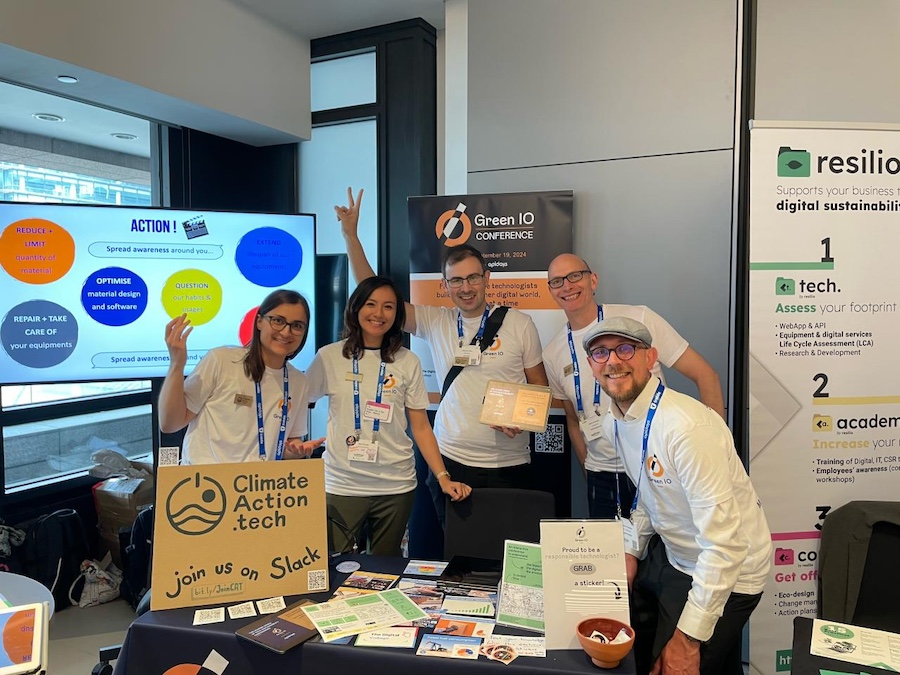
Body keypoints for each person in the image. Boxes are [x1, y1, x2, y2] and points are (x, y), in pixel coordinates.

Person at [335, 188, 548, 523]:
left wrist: (522, 420)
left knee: (507, 557)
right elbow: (372, 292)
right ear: (445, 285)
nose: (466, 287)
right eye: (456, 280)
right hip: (451, 460)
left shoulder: (519, 323)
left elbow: (540, 389)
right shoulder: (436, 321)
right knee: (459, 555)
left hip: (509, 464)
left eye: (473, 277)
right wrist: (351, 236)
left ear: (486, 278)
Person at [582, 316, 771, 675]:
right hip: (675, 554)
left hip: (730, 569)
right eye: (600, 353)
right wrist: (630, 551)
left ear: (651, 357)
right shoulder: (614, 422)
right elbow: (646, 494)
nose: (613, 361)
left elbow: (726, 546)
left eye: (625, 349)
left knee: (674, 665)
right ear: (591, 365)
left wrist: (687, 641)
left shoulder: (686, 428)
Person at [542, 253, 724, 519]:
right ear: (550, 291)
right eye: (557, 281)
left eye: (575, 276)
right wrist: (588, 469)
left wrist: (714, 451)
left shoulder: (638, 318)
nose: (567, 286)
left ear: (593, 280)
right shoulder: (553, 352)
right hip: (602, 477)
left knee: (667, 554)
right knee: (614, 559)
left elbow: (706, 376)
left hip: (659, 468)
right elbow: (573, 419)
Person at [305, 276, 472, 556]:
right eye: (371, 304)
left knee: (386, 570)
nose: (379, 314)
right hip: (342, 484)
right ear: (355, 308)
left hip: (396, 485)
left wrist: (442, 476)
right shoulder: (329, 357)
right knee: (337, 568)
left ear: (397, 315)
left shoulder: (407, 361)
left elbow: (420, 426)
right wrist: (298, 443)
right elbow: (301, 400)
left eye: (388, 307)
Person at [159, 289, 325, 464]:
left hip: (257, 485)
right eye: (278, 321)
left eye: (297, 325)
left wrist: (298, 450)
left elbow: (288, 444)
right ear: (259, 322)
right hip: (205, 483)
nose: (286, 332)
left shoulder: (298, 382)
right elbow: (170, 424)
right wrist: (177, 364)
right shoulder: (221, 360)